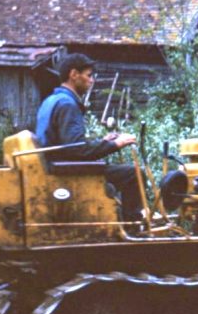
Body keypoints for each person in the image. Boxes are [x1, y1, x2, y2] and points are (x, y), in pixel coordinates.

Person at [34, 53, 142, 222]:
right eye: (88, 75)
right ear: (74, 75)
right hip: (66, 170)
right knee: (134, 173)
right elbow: (77, 149)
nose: (91, 81)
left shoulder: (51, 100)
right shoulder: (67, 104)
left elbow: (67, 143)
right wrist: (115, 144)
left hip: (54, 164)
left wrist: (104, 142)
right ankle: (133, 226)